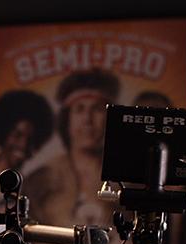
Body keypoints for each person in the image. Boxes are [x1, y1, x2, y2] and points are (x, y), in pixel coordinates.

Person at [22, 69, 120, 229]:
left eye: (97, 109)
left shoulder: (125, 182)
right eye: (79, 109)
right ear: (66, 119)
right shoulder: (40, 181)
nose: (88, 119)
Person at [0, 90, 54, 206]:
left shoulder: (30, 187)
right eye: (17, 135)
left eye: (31, 139)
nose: (23, 144)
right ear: (3, 134)